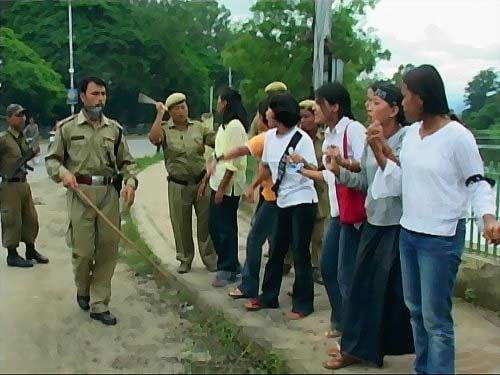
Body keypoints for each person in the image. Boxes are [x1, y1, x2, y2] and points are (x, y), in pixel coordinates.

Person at [369, 65, 500, 374]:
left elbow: (478, 182)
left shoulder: (457, 137)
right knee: (415, 311)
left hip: (440, 238)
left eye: (405, 97)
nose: (402, 105)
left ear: (422, 99)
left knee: (435, 319)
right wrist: (380, 149)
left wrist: (489, 219)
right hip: (409, 233)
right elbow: (403, 173)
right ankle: (422, 368)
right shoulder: (413, 135)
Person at [319, 82, 414, 370]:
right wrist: (339, 173)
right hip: (374, 221)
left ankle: (380, 349)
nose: (368, 107)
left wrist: (381, 148)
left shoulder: (407, 139)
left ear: (395, 110)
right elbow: (366, 183)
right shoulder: (372, 137)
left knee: (391, 295)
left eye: (375, 102)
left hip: (397, 224)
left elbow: (403, 182)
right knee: (361, 288)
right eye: (368, 101)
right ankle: (355, 349)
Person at [45, 76, 138, 326]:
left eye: (103, 94)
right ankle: (83, 288)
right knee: (83, 252)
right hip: (80, 194)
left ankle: (99, 303)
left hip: (108, 195)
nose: (100, 99)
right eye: (95, 94)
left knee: (108, 250)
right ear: (83, 97)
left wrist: (130, 183)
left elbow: (128, 163)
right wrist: (63, 173)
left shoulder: (115, 130)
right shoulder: (67, 128)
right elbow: (52, 160)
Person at [244, 93, 318, 320]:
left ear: (280, 114)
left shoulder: (301, 139)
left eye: (271, 109)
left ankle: (303, 303)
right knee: (276, 250)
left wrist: (301, 163)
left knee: (299, 251)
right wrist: (254, 186)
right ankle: (268, 296)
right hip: (281, 199)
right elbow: (266, 167)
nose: (266, 113)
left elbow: (312, 168)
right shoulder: (269, 138)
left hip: (302, 199)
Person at [314, 82, 367, 337]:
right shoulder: (329, 135)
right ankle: (341, 319)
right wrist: (306, 168)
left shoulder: (353, 130)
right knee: (328, 267)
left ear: (334, 106)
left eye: (319, 104)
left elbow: (364, 166)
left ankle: (352, 330)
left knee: (346, 273)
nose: (315, 109)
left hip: (353, 212)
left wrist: (341, 162)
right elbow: (329, 175)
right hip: (338, 210)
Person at [213, 98, 277, 299]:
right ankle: (265, 289)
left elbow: (243, 153)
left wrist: (220, 160)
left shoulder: (269, 138)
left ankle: (250, 285)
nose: (258, 119)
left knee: (254, 239)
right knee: (272, 243)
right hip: (271, 195)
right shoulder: (271, 137)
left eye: (260, 116)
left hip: (278, 198)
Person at [149, 93, 217, 274]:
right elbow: (154, 138)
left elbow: (215, 140)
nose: (182, 111)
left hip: (201, 181)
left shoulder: (198, 127)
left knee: (206, 222)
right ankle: (185, 259)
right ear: (170, 112)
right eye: (177, 108)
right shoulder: (165, 129)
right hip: (178, 184)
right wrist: (158, 115)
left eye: (184, 106)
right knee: (181, 224)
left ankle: (210, 258)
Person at [285, 99, 328, 284]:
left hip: (319, 190)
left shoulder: (324, 140)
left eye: (307, 116)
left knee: (318, 234)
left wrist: (307, 166)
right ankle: (291, 264)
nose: (303, 121)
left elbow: (325, 168)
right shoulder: (295, 138)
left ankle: (316, 267)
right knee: (297, 233)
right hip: (299, 189)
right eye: (300, 117)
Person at [209, 88, 248, 287]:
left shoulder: (235, 126)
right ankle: (232, 263)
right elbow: (219, 154)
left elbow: (235, 160)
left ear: (224, 103)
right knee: (215, 225)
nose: (216, 105)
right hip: (216, 180)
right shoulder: (224, 126)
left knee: (224, 227)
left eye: (218, 101)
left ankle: (227, 268)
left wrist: (223, 187)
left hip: (228, 184)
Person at [0, 104, 48, 268]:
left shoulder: (21, 138)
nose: (22, 118)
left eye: (23, 115)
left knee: (30, 218)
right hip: (9, 185)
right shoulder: (3, 139)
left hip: (23, 183)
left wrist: (31, 154)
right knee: (11, 219)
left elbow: (23, 157)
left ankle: (30, 249)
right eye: (18, 115)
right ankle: (12, 255)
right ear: (9, 118)